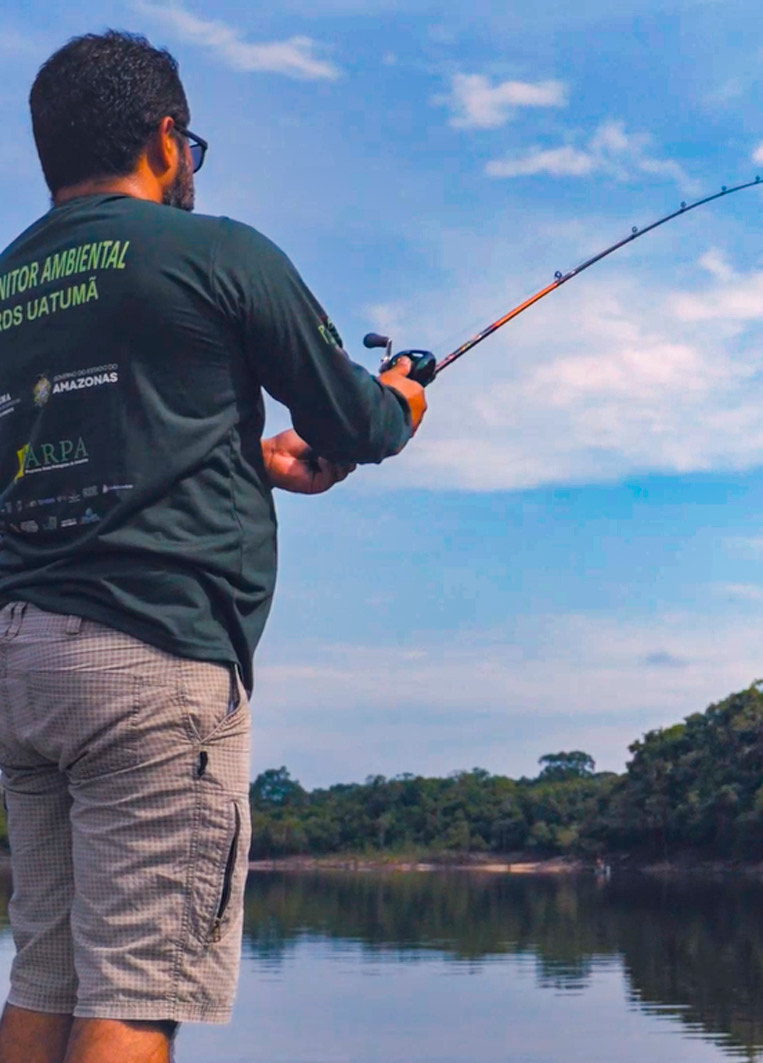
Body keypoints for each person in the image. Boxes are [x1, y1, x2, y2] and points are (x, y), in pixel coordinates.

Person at [0, 30, 427, 1063]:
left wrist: (256, 461)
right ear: (165, 137)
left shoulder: (9, 282)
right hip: (152, 660)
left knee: (45, 974)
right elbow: (358, 420)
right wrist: (403, 394)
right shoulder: (216, 253)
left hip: (18, 664)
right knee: (134, 991)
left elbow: (106, 438)